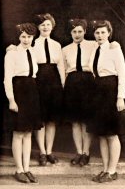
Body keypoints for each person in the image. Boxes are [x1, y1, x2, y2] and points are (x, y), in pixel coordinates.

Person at [88, 20, 125, 182]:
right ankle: (105, 169)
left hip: (111, 91)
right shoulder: (94, 49)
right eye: (97, 33)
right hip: (98, 91)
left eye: (103, 32)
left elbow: (122, 75)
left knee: (111, 134)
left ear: (109, 33)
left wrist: (120, 97)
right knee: (102, 134)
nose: (100, 35)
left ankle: (112, 171)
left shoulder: (115, 49)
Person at [4, 23, 42, 183]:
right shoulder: (11, 53)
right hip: (19, 93)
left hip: (31, 92)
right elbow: (7, 79)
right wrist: (11, 100)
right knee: (19, 133)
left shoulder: (33, 51)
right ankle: (18, 169)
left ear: (33, 37)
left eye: (29, 36)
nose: (26, 40)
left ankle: (27, 168)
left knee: (28, 133)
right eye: (23, 36)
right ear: (18, 37)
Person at [62, 19, 95, 166]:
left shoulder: (94, 45)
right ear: (70, 32)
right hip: (72, 83)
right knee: (75, 121)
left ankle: (86, 153)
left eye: (80, 31)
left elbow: (108, 48)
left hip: (89, 82)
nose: (77, 34)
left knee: (86, 120)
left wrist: (116, 44)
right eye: (74, 31)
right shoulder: (65, 49)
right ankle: (79, 152)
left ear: (85, 32)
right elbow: (63, 71)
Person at [34, 13, 65, 165]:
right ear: (38, 27)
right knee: (40, 118)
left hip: (54, 82)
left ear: (52, 26)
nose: (45, 27)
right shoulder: (32, 43)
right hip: (38, 80)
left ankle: (50, 151)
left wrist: (63, 85)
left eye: (48, 24)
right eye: (42, 25)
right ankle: (42, 153)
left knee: (51, 119)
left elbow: (61, 66)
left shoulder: (56, 45)